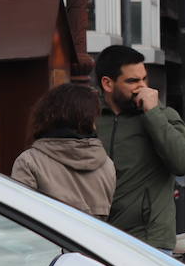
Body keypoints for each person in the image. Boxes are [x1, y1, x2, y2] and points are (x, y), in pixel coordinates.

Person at [95, 45, 185, 253]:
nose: (142, 87)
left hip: (150, 241)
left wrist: (152, 114)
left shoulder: (164, 116)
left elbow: (183, 163)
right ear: (107, 83)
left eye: (144, 79)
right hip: (100, 239)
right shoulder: (91, 119)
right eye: (133, 81)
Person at [11, 83, 116, 219]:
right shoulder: (107, 165)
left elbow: (20, 219)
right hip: (92, 240)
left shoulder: (29, 162)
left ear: (48, 114)